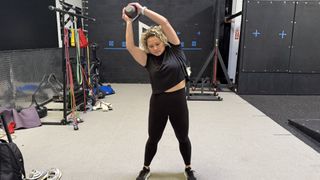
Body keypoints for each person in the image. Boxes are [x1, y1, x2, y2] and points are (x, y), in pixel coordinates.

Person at [122, 2, 197, 180]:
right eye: (151, 46)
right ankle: (145, 168)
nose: (155, 48)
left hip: (178, 101)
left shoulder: (176, 51)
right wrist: (128, 22)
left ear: (163, 41)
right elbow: (130, 47)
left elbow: (164, 23)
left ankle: (188, 168)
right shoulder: (147, 59)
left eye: (157, 44)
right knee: (153, 138)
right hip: (158, 103)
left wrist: (143, 10)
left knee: (183, 137)